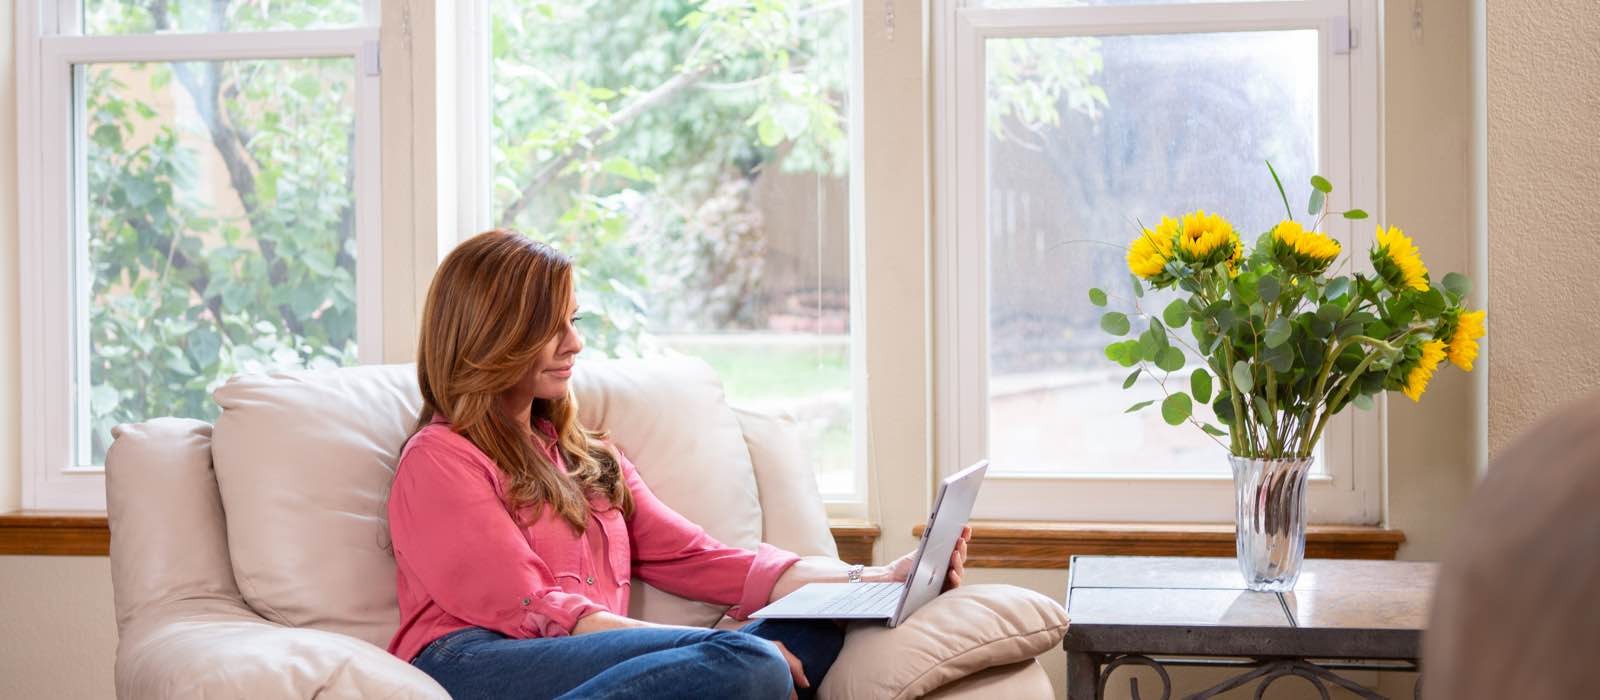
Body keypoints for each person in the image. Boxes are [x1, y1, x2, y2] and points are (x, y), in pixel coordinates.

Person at [386, 230, 971, 700]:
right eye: (550, 326)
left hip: (589, 659)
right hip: (478, 662)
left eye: (575, 321)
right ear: (493, 333)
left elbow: (702, 559)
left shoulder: (586, 453)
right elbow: (540, 610)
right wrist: (718, 649)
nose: (574, 344)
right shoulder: (441, 459)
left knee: (813, 625)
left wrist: (874, 579)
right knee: (750, 665)